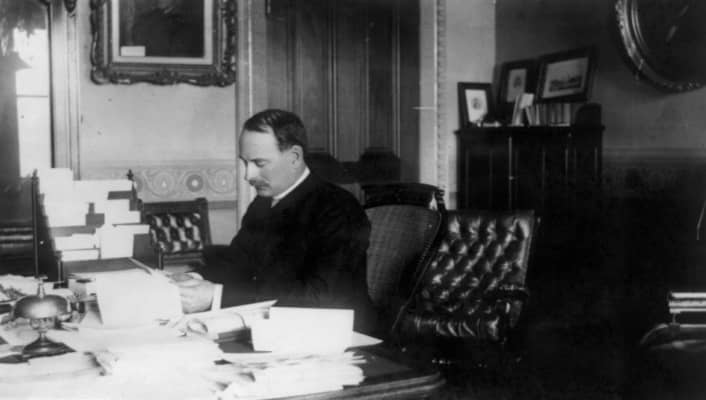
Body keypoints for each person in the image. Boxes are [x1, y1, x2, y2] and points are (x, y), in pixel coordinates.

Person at [175, 109, 374, 332]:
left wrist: (216, 296)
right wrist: (191, 279)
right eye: (245, 163)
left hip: (342, 335)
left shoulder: (339, 208)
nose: (248, 175)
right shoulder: (262, 204)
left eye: (259, 163)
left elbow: (318, 295)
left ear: (294, 157)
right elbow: (237, 262)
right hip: (279, 327)